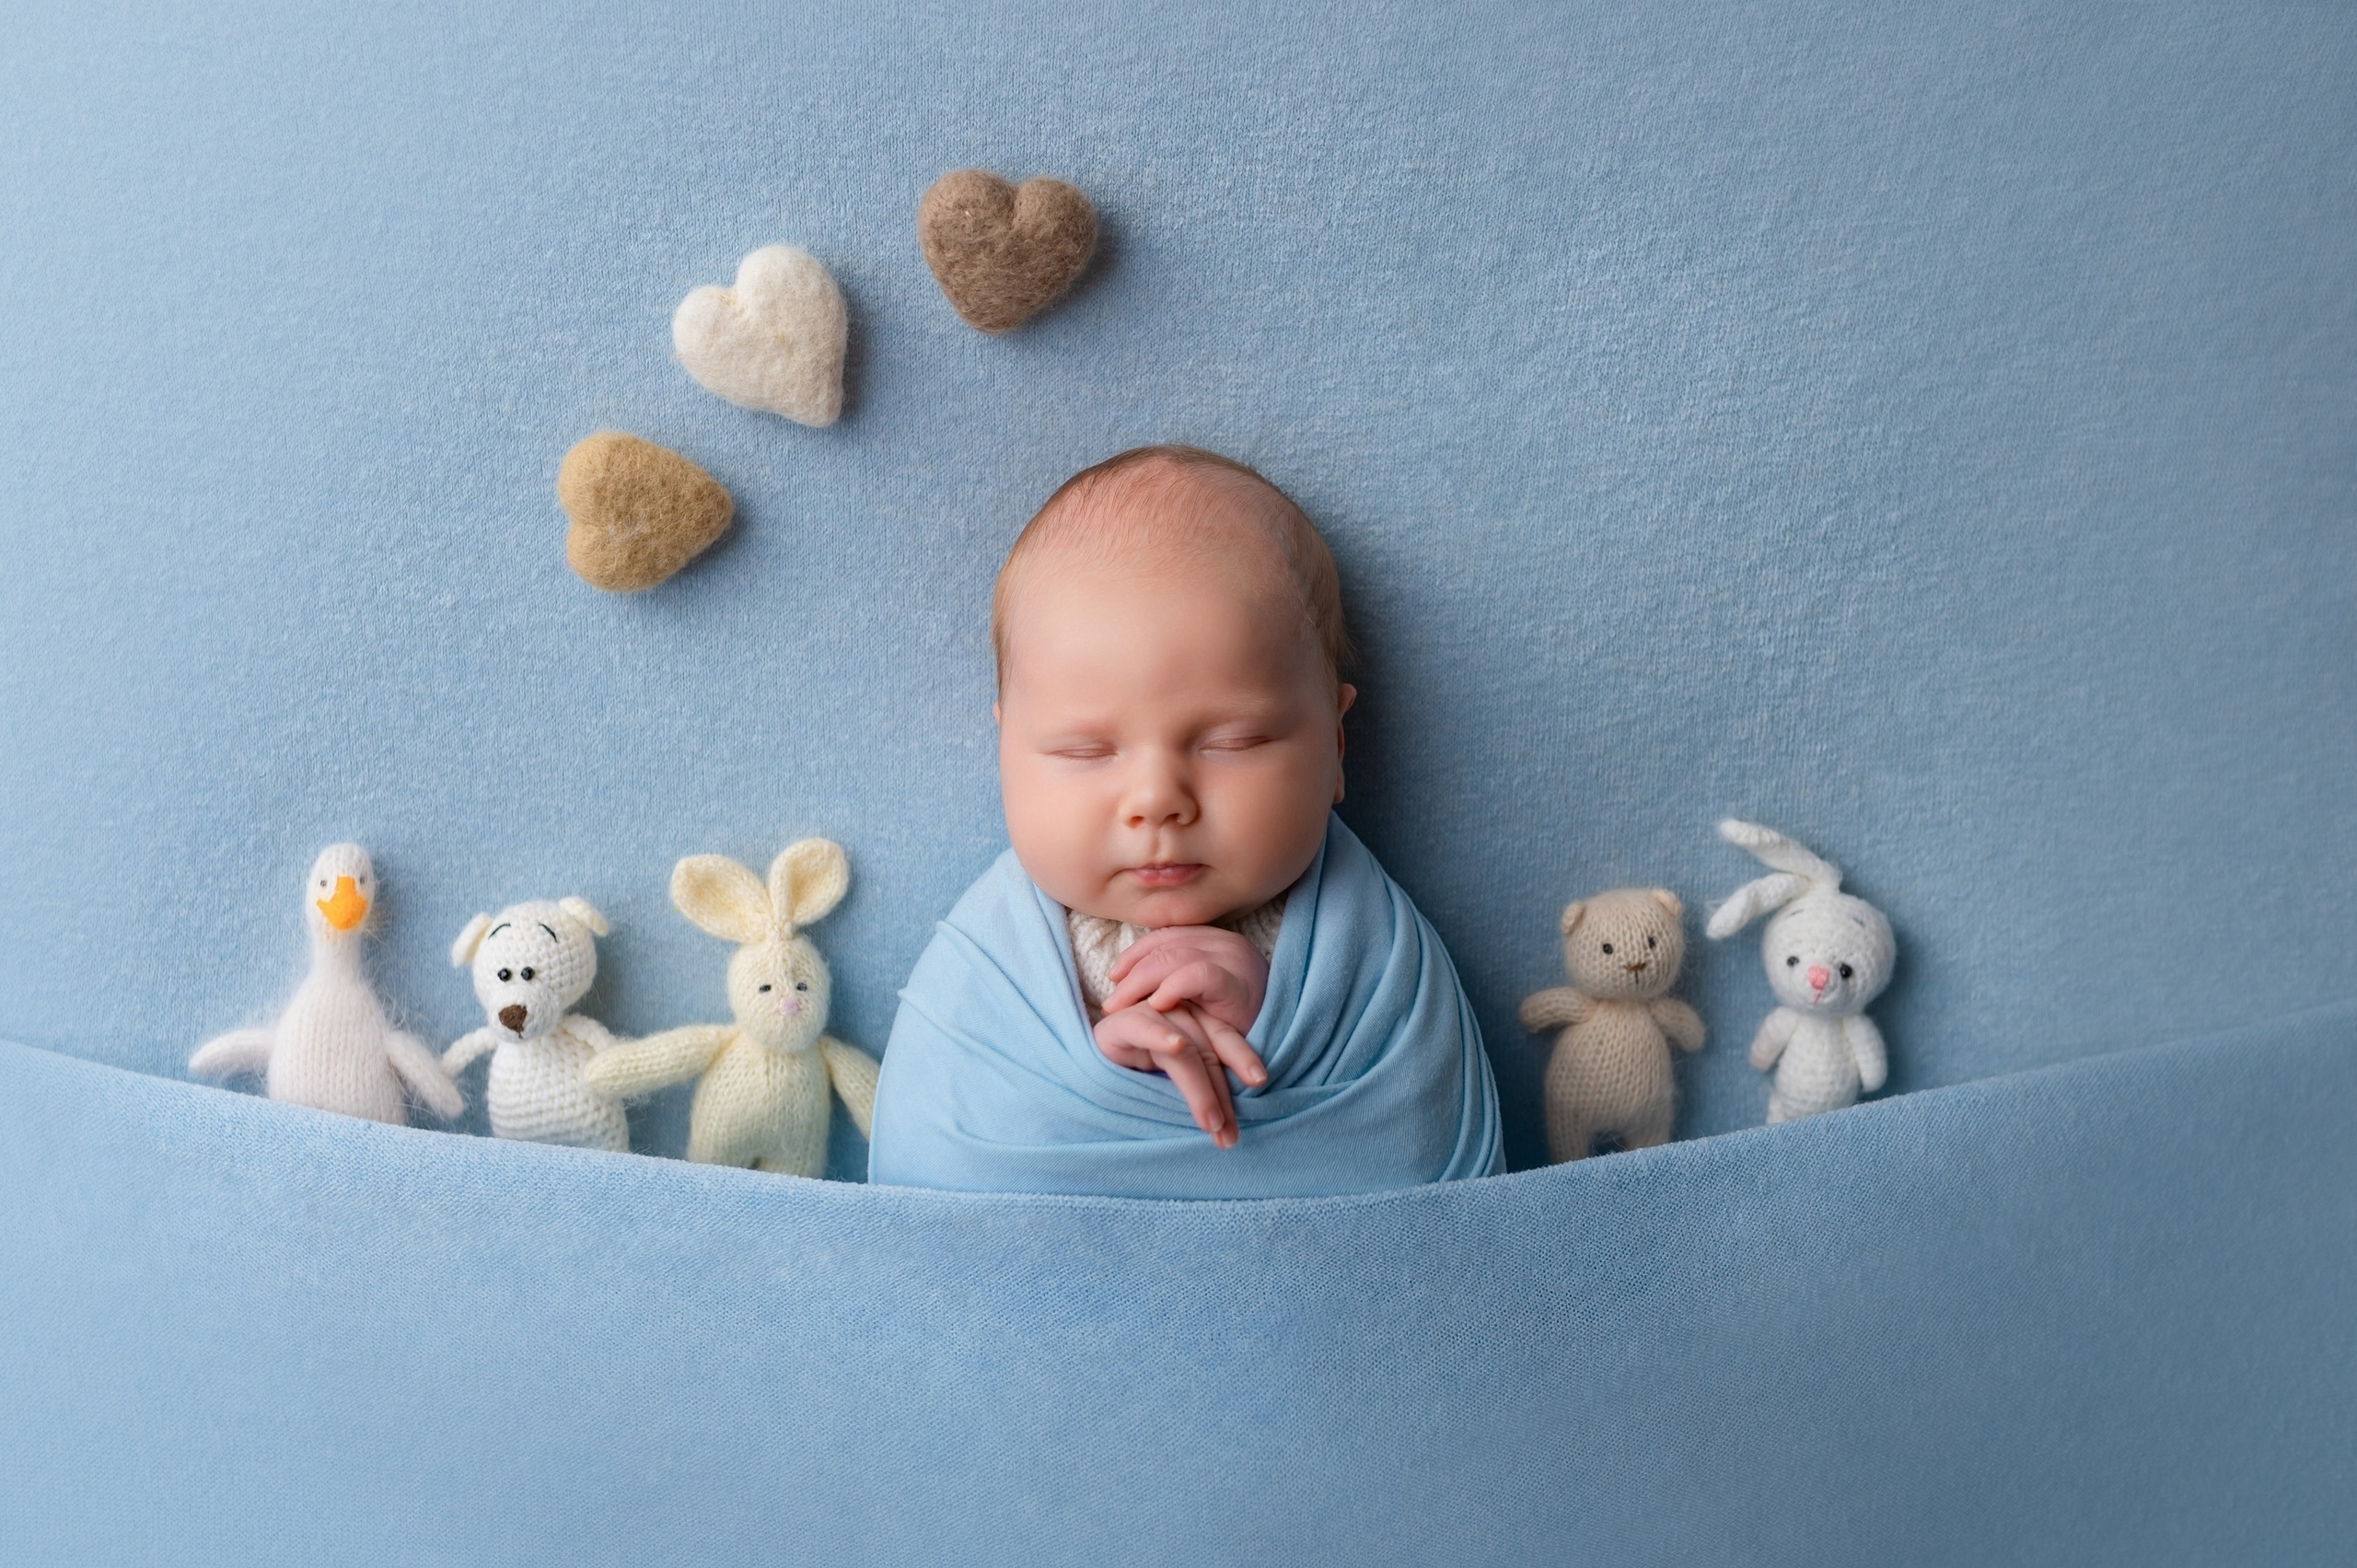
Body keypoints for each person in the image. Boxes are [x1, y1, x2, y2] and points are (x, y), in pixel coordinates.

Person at [867, 445, 1501, 1197]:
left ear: (1335, 744)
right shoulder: (983, 973)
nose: (1157, 800)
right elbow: (941, 1165)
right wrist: (1103, 1063)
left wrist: (1275, 1010)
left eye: (1233, 742)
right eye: (1084, 749)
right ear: (1005, 747)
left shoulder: (1369, 954)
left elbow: (1414, 1149)